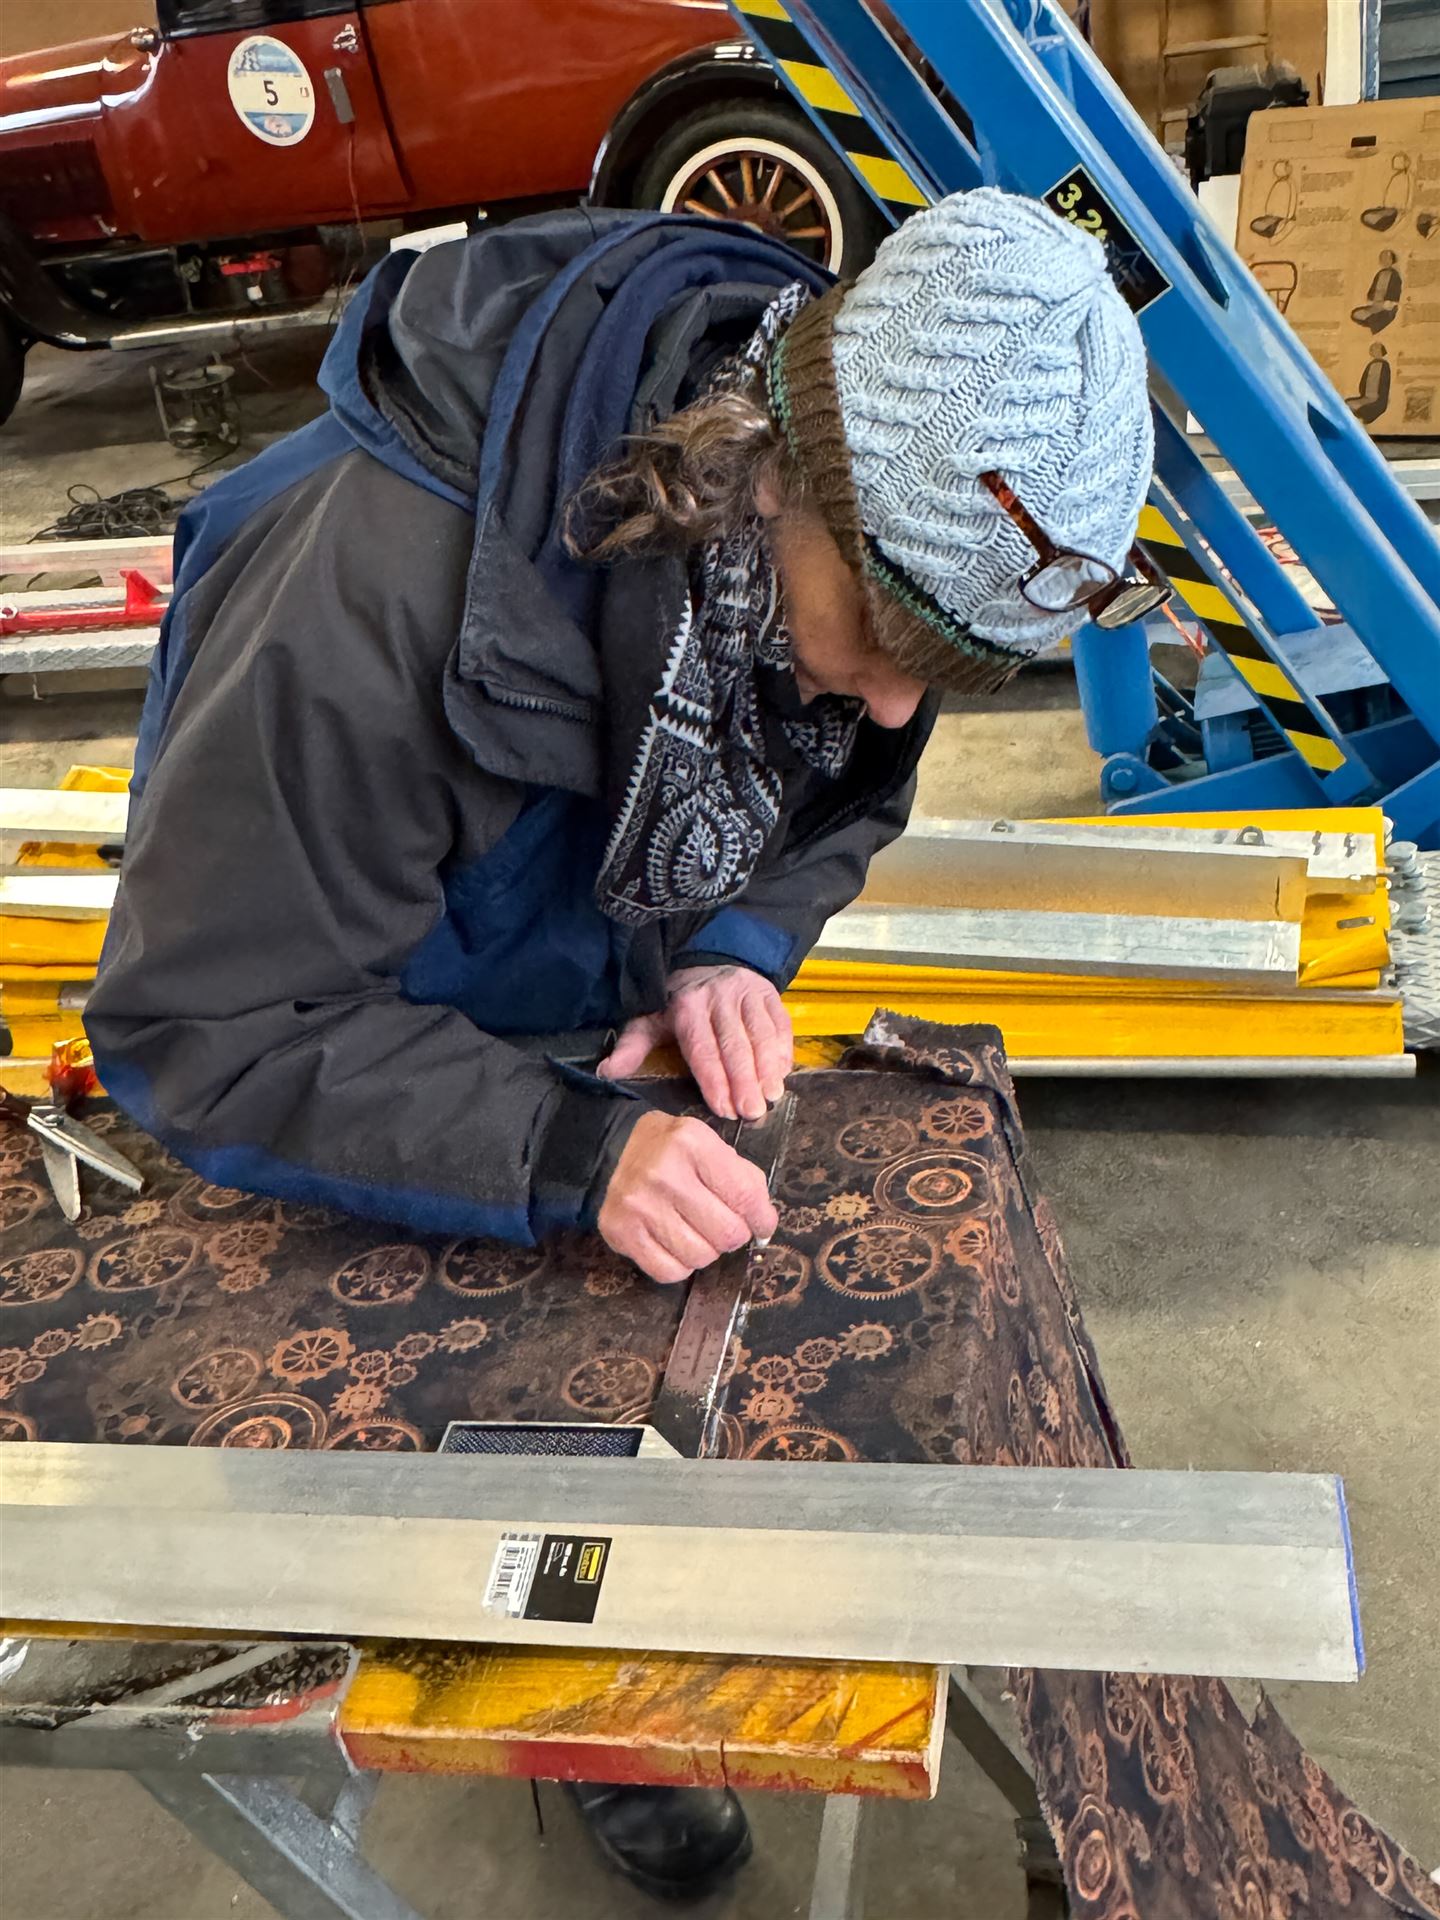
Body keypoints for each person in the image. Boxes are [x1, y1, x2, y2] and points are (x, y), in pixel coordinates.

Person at [87, 188, 1153, 1898]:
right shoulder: (358, 588)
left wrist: (734, 942)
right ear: (766, 480)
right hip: (353, 1037)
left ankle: (623, 1680)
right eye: (890, 645)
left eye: (945, 674)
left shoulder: (839, 491)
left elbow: (844, 785)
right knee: (491, 1428)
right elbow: (211, 1023)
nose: (899, 705)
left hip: (577, 972)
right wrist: (560, 1147)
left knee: (670, 1355)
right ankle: (579, 1717)